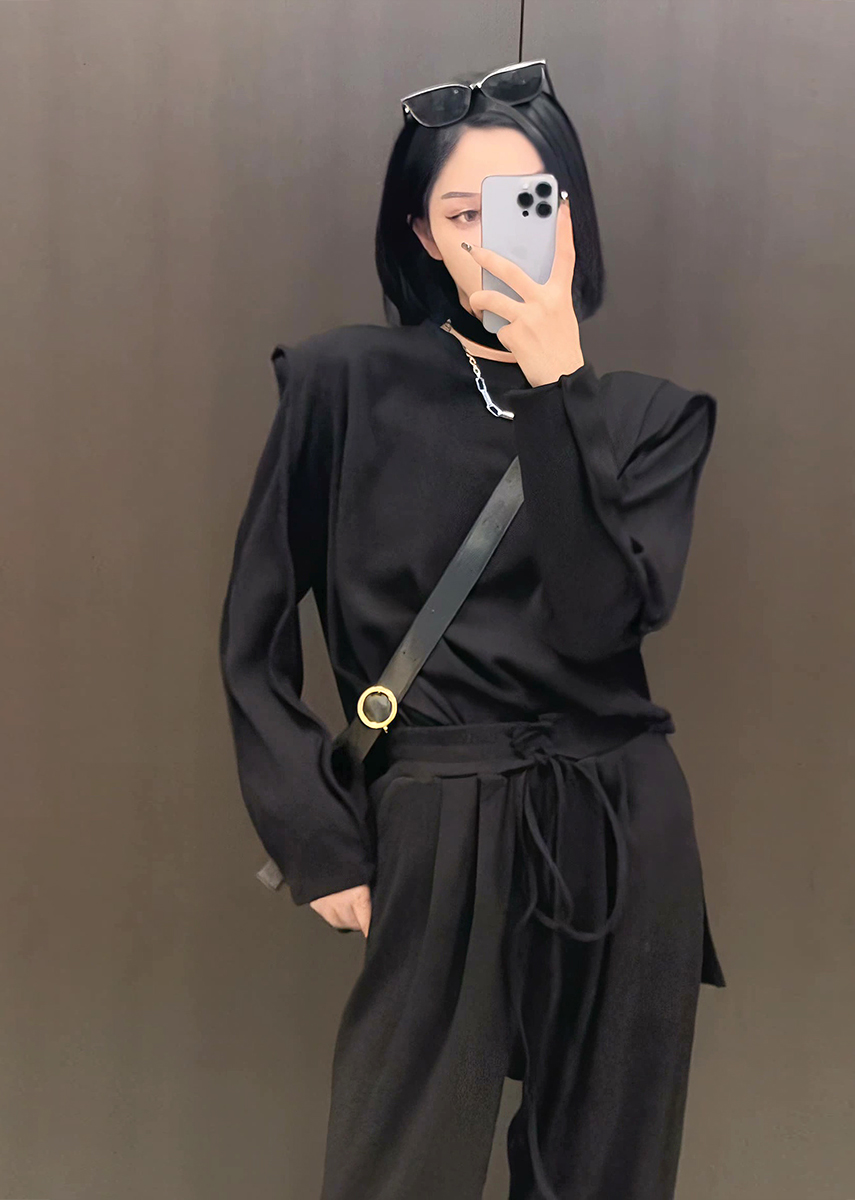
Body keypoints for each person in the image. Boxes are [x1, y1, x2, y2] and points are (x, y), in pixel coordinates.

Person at [219, 58, 726, 1200]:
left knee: (603, 1172)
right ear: (423, 234)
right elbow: (252, 633)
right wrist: (315, 833)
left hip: (621, 818)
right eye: (463, 214)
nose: (494, 240)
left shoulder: (649, 419)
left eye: (525, 205)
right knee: (398, 1165)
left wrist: (556, 388)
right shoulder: (343, 384)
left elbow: (598, 620)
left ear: (570, 220)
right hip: (437, 812)